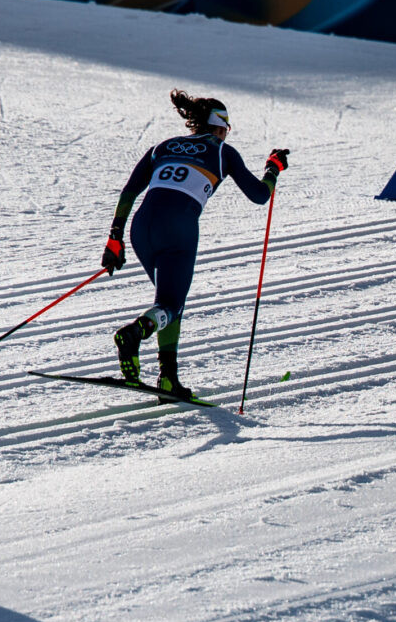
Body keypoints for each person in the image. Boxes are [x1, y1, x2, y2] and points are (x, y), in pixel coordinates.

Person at [100, 89, 288, 397]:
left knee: (169, 303)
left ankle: (168, 378)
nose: (227, 134)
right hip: (178, 228)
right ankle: (134, 334)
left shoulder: (161, 147)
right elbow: (259, 195)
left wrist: (114, 240)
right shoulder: (221, 151)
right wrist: (272, 169)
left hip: (140, 228)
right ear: (220, 126)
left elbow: (128, 193)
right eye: (227, 128)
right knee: (170, 305)